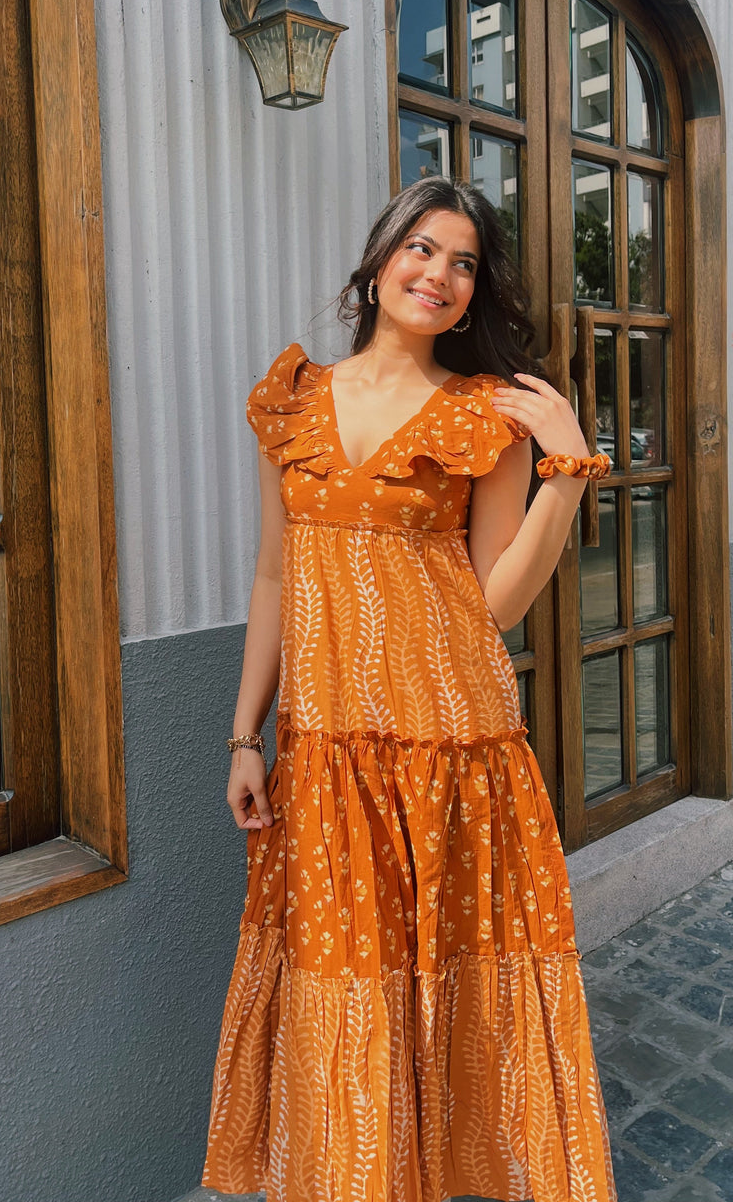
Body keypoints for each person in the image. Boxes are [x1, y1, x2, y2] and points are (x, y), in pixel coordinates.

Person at [202, 177, 616, 1202]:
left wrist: (564, 475)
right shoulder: (292, 397)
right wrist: (245, 736)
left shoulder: (486, 417)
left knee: (444, 1004)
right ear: (380, 260)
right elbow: (273, 571)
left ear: (476, 294)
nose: (439, 274)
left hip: (451, 746)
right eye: (423, 249)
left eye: (465, 262)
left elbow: (498, 603)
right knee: (346, 1003)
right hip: (329, 754)